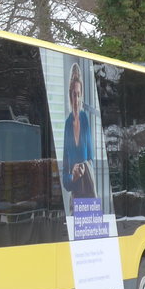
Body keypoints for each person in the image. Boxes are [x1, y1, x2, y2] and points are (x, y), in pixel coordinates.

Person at [61, 61, 95, 199]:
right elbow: (65, 179)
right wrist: (73, 176)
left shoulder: (85, 119)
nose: (77, 99)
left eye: (79, 94)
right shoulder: (67, 125)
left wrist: (84, 167)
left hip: (89, 192)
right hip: (75, 196)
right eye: (74, 95)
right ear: (70, 96)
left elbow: (91, 160)